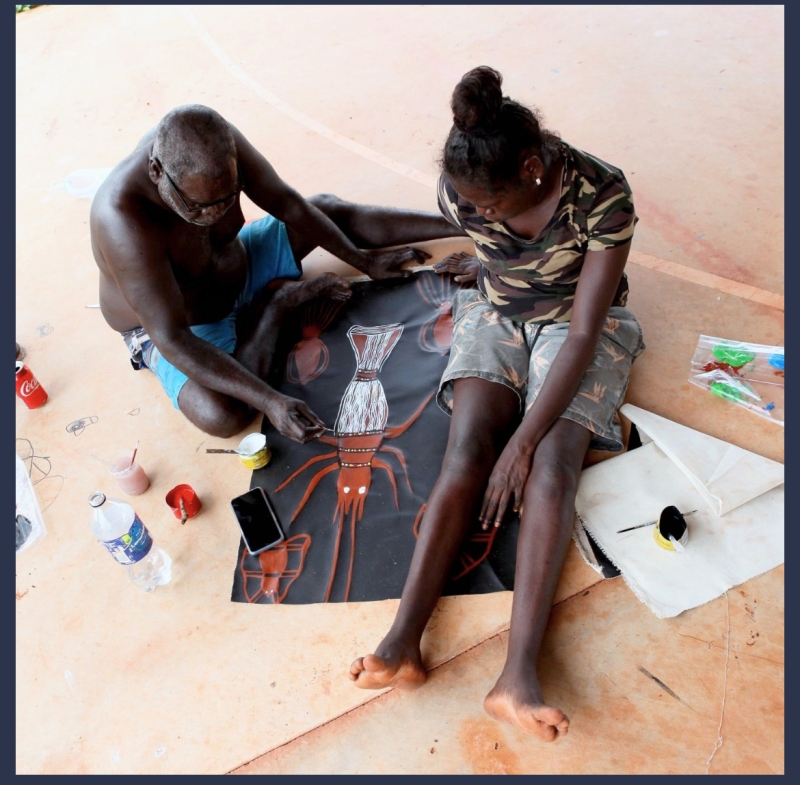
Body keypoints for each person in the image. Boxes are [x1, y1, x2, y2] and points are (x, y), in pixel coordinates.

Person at [349, 67, 645, 742]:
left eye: (490, 206)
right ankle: (402, 644)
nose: (475, 215)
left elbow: (581, 334)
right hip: (496, 313)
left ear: (534, 168)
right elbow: (485, 258)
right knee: (467, 454)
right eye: (468, 204)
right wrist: (502, 443)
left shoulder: (603, 196)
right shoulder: (462, 192)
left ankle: (518, 675)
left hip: (577, 324)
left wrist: (526, 441)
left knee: (551, 466)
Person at [90, 105, 463, 442]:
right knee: (224, 415)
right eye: (200, 208)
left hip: (238, 266)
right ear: (157, 172)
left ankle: (460, 221)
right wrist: (270, 400)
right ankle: (275, 306)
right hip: (183, 326)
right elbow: (172, 337)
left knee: (326, 210)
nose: (216, 216)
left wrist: (363, 260)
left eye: (227, 199)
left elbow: (287, 203)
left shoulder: (218, 146)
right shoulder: (122, 220)